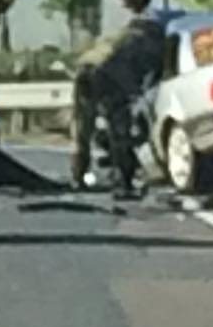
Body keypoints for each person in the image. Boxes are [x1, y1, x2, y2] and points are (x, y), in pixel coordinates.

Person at [69, 13, 168, 197]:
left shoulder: (120, 34)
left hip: (85, 70)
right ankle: (124, 181)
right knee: (119, 132)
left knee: (82, 128)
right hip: (111, 77)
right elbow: (152, 76)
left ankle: (78, 177)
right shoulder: (152, 43)